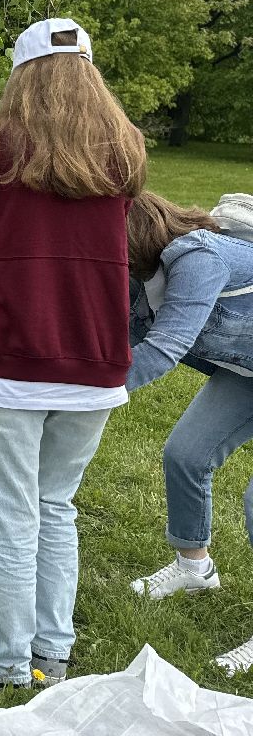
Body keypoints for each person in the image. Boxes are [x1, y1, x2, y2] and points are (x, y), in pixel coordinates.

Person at [0, 18, 146, 692]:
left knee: (14, 517)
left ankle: (2, 666)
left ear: (21, 74)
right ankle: (52, 650)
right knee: (56, 508)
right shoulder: (122, 147)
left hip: (14, 355)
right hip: (96, 355)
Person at [120, 192, 253, 673]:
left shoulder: (198, 258)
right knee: (186, 455)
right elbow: (117, 347)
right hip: (247, 372)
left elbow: (161, 350)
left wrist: (83, 398)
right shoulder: (140, 284)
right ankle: (195, 569)